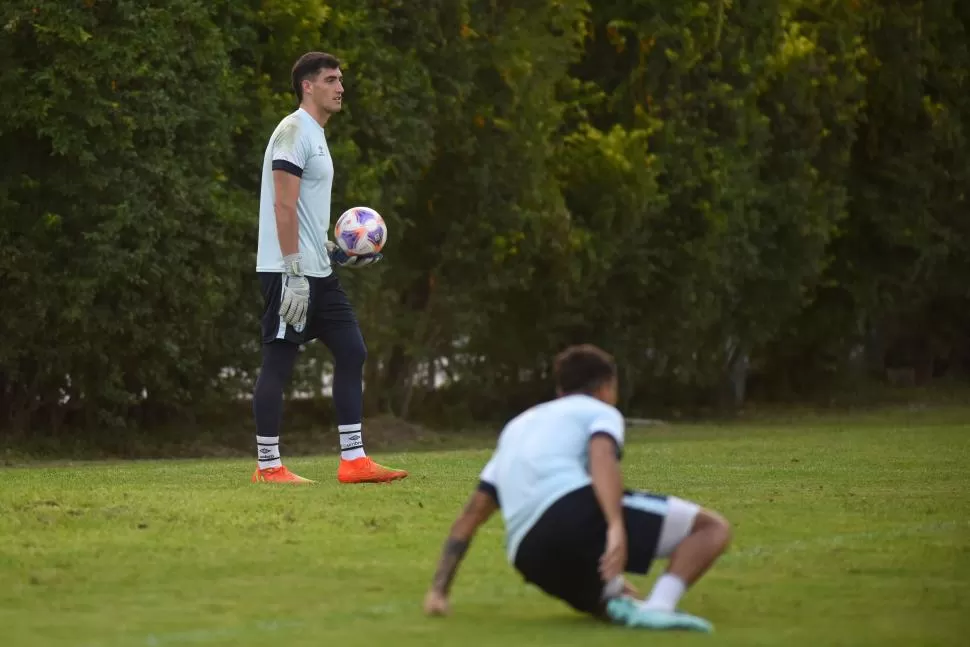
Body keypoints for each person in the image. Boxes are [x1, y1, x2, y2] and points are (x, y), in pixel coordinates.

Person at [422, 344, 731, 631]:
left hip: (527, 553)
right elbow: (602, 457)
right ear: (607, 386)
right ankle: (661, 606)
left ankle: (624, 603)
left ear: (561, 390)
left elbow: (473, 514)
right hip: (570, 513)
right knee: (710, 529)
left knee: (618, 600)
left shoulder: (518, 427)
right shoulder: (599, 410)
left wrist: (438, 590)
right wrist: (615, 527)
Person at [250, 51, 407, 485]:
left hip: (317, 270)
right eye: (332, 79)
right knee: (279, 362)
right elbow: (282, 204)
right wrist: (293, 269)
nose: (341, 87)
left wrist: (330, 250)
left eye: (340, 80)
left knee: (353, 351)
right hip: (289, 272)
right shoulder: (292, 131)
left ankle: (354, 461)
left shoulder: (317, 135)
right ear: (308, 85)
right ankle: (268, 467)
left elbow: (302, 210)